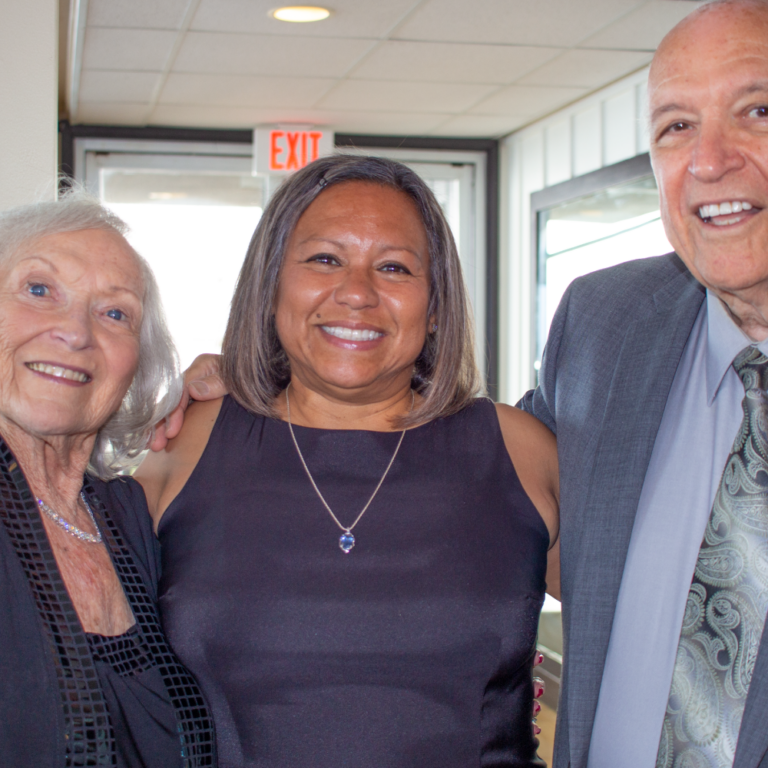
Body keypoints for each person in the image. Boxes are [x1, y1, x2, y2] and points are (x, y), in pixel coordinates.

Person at [136, 154, 559, 767]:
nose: (357, 293)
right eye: (324, 259)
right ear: (272, 282)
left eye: (393, 267)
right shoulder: (183, 446)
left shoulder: (521, 452)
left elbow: (650, 633)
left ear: (435, 305)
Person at [517, 1, 768, 767]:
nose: (709, 160)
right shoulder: (604, 323)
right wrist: (271, 393)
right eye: (675, 126)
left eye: (757, 109)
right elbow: (468, 474)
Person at [0, 192, 216, 766]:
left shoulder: (130, 515)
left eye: (115, 312)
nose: (75, 332)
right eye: (38, 289)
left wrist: (244, 388)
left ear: (136, 368)